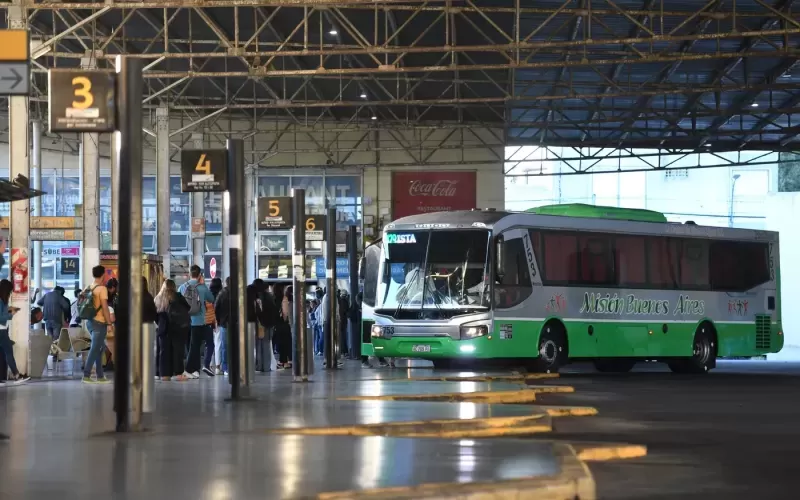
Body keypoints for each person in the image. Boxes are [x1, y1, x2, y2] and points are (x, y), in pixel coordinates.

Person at [179, 265, 216, 378]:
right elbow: (212, 299)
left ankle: (195, 370)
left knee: (192, 346)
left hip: (186, 320)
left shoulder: (182, 287)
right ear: (200, 275)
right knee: (197, 346)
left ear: (190, 273)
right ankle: (189, 369)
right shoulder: (202, 287)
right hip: (200, 321)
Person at [82, 265, 114, 384]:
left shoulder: (89, 287)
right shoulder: (102, 289)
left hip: (90, 322)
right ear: (102, 275)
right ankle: (86, 375)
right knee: (95, 348)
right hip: (99, 323)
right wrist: (109, 323)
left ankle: (100, 376)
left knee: (99, 349)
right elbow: (105, 308)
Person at [155, 279, 191, 381]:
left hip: (163, 328)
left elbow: (155, 314)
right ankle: (178, 374)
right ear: (174, 286)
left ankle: (165, 375)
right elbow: (188, 308)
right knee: (177, 351)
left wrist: (161, 323)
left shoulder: (158, 298)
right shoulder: (178, 296)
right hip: (177, 328)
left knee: (164, 352)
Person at [0, 279, 30, 383]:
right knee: (9, 353)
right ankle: (17, 376)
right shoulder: (0, 301)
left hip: (3, 330)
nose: (10, 294)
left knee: (5, 354)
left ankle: (14, 375)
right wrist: (11, 314)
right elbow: (1, 317)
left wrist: (10, 309)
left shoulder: (2, 301)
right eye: (9, 291)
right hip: (1, 331)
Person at [272, 283, 292, 369]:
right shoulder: (284, 298)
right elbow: (285, 313)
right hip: (282, 323)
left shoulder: (272, 298)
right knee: (285, 343)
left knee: (276, 343)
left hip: (274, 323)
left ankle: (277, 362)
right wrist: (286, 319)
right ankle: (284, 361)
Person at [214, 277, 230, 375]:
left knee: (225, 346)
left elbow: (216, 307)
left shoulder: (222, 293)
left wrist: (218, 320)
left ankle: (225, 368)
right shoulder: (238, 292)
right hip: (236, 323)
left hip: (224, 323)